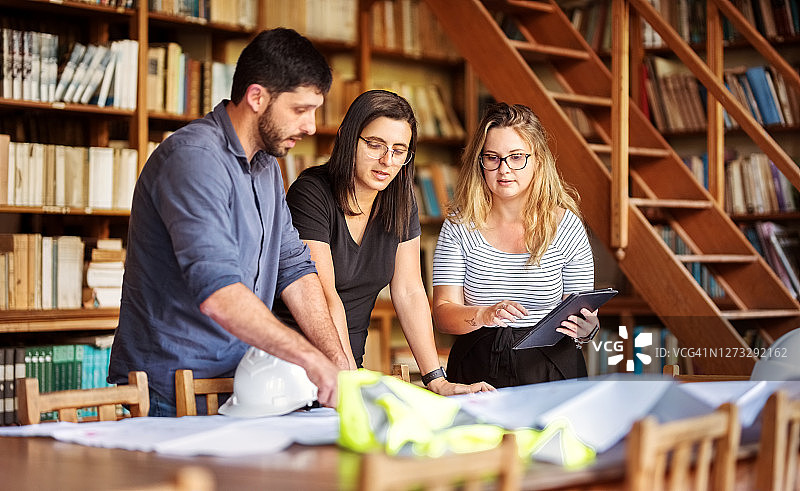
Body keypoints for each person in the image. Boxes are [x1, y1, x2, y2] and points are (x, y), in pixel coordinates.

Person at [108, 28, 350, 416]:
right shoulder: (193, 158)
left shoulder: (268, 167)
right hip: (168, 391)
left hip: (236, 385)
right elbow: (219, 293)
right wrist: (310, 359)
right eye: (301, 110)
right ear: (257, 97)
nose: (310, 126)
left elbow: (295, 269)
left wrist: (337, 361)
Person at [272, 89, 492, 395]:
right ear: (349, 138)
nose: (387, 160)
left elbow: (409, 291)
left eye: (399, 150)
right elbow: (324, 295)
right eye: (375, 145)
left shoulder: (402, 201)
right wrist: (347, 378)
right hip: (292, 370)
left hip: (346, 369)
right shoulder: (311, 193)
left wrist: (436, 380)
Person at [431, 102, 599, 388]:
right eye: (492, 158)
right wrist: (484, 314)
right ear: (480, 162)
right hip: (477, 366)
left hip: (552, 367)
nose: (504, 169)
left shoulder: (567, 226)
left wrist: (588, 329)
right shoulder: (459, 225)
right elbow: (443, 314)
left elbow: (584, 313)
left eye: (517, 157)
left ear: (538, 160)